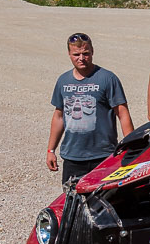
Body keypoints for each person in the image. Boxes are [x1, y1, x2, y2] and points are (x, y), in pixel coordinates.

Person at [47, 32, 134, 184]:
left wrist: (131, 147)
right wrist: (51, 150)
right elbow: (59, 116)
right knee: (73, 201)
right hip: (73, 157)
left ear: (92, 52)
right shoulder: (63, 81)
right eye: (76, 54)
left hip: (103, 155)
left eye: (85, 53)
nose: (81, 58)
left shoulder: (107, 78)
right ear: (69, 54)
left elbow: (122, 112)